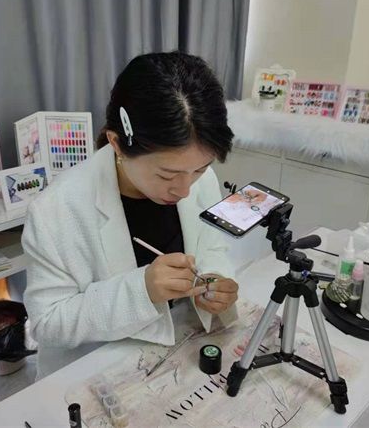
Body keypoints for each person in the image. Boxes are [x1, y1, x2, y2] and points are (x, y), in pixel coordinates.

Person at [22, 52, 239, 379]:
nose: (184, 190)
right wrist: (141, 291)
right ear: (117, 143)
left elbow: (213, 247)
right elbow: (47, 323)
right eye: (167, 175)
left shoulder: (200, 179)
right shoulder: (56, 209)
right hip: (97, 368)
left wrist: (216, 281)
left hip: (180, 350)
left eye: (199, 169)